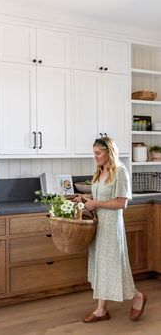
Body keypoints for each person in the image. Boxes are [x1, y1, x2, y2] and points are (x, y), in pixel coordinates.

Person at [74, 136, 147, 323]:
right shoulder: (100, 171)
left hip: (111, 226)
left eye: (98, 153)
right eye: (94, 153)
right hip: (99, 224)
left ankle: (137, 297)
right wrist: (85, 197)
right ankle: (101, 310)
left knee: (114, 266)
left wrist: (95, 202)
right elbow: (100, 194)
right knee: (100, 265)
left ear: (109, 152)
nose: (95, 157)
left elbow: (122, 203)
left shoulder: (120, 172)